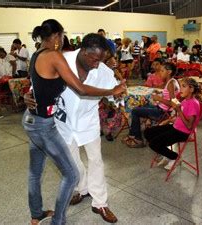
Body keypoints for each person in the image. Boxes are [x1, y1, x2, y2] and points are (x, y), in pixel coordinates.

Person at [22, 20, 125, 225]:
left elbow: (117, 95)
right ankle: (82, 188)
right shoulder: (62, 59)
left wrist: (120, 94)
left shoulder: (103, 71)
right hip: (62, 123)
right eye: (95, 59)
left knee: (95, 161)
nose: (97, 64)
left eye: (101, 60)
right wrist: (28, 95)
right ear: (83, 51)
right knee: (73, 162)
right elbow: (40, 82)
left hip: (88, 123)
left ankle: (100, 202)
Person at [144, 77, 201, 170]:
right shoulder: (185, 100)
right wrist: (168, 120)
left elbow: (189, 126)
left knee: (153, 144)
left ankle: (174, 157)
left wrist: (178, 110)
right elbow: (180, 118)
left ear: (191, 89)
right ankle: (165, 153)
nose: (180, 89)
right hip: (175, 127)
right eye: (181, 86)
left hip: (183, 133)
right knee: (148, 132)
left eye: (183, 86)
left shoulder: (193, 103)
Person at [123, 62, 180, 148]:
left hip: (162, 112)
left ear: (169, 72)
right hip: (162, 109)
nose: (160, 73)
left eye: (162, 71)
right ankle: (132, 134)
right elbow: (169, 95)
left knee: (135, 111)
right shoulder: (172, 81)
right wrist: (160, 92)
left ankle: (138, 139)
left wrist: (159, 98)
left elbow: (174, 103)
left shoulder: (171, 84)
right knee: (140, 106)